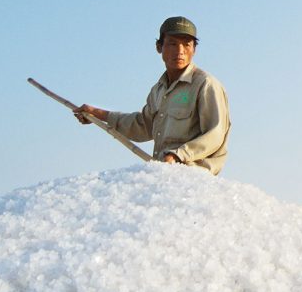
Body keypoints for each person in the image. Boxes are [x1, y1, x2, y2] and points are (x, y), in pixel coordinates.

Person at [75, 16, 231, 175]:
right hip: (163, 176)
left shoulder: (206, 84)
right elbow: (142, 126)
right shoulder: (158, 90)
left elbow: (215, 134)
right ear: (159, 47)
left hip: (194, 179)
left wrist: (178, 155)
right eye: (173, 44)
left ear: (194, 50)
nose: (180, 51)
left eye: (187, 44)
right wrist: (98, 114)